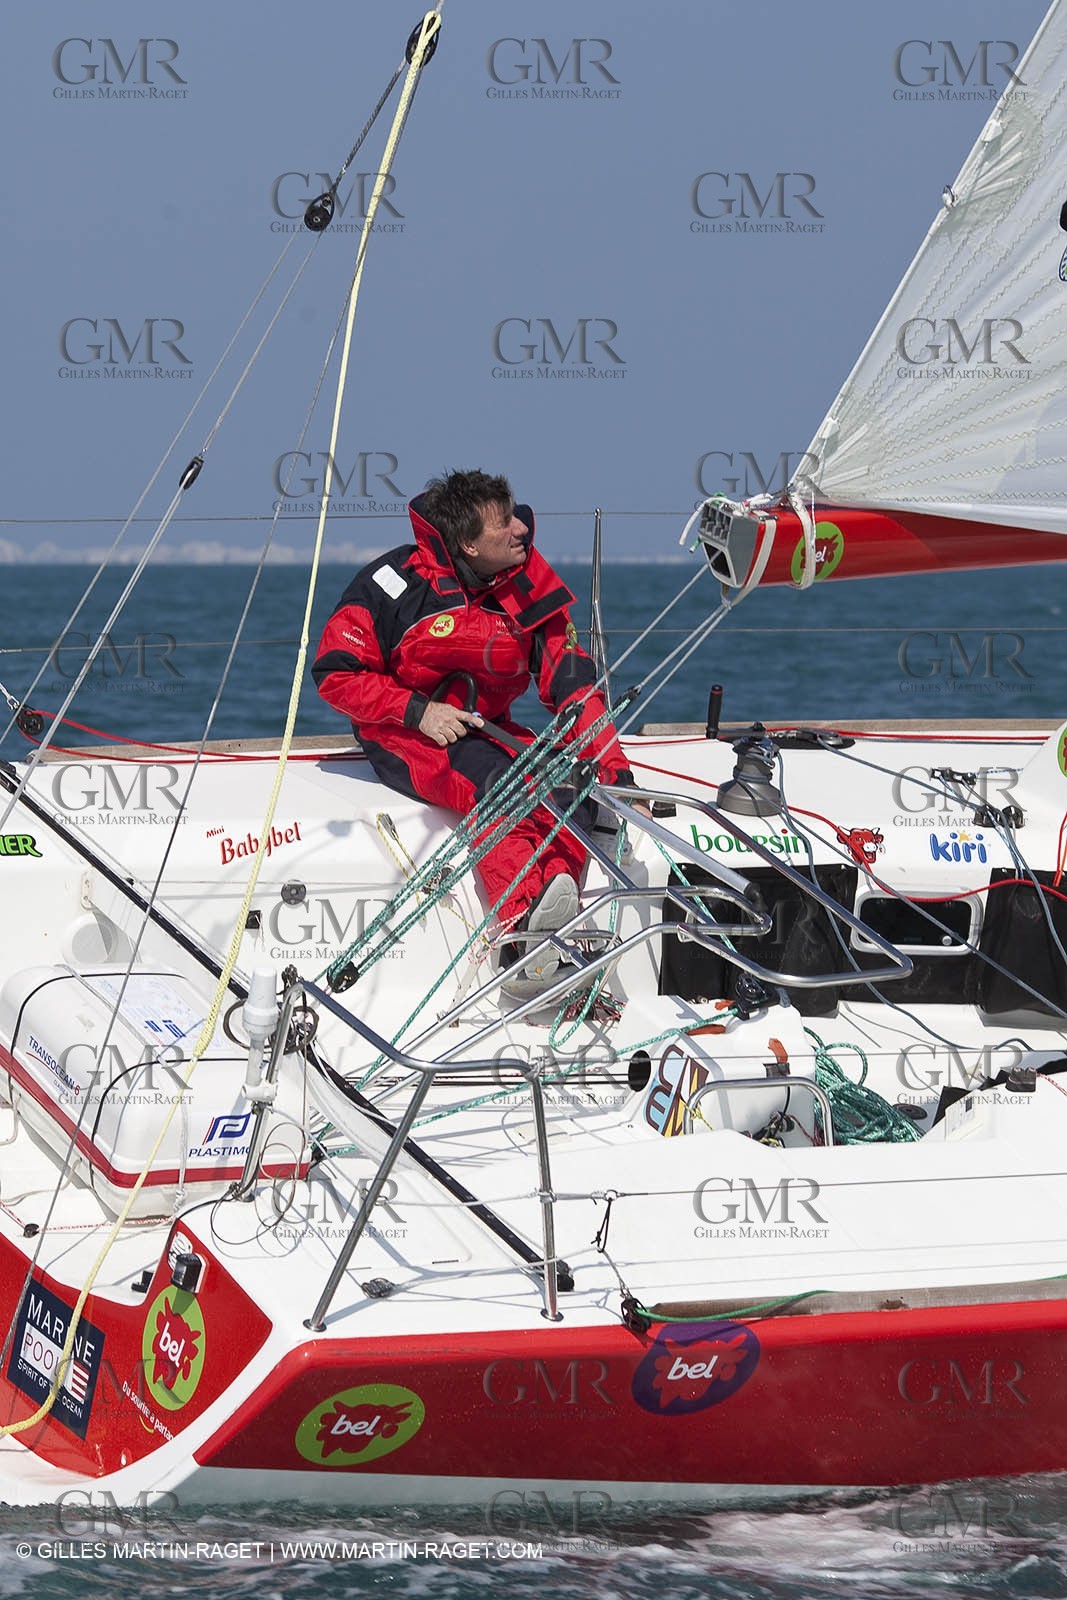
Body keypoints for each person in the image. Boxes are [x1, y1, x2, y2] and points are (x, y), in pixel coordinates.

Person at [312, 469, 635, 984]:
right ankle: (520, 938)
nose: (521, 530)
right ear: (467, 543)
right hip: (403, 730)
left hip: (487, 724)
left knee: (572, 785)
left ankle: (554, 904)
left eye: (514, 514)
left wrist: (612, 765)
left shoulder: (528, 581)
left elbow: (572, 682)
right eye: (503, 524)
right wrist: (419, 711)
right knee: (496, 784)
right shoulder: (394, 585)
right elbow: (335, 674)